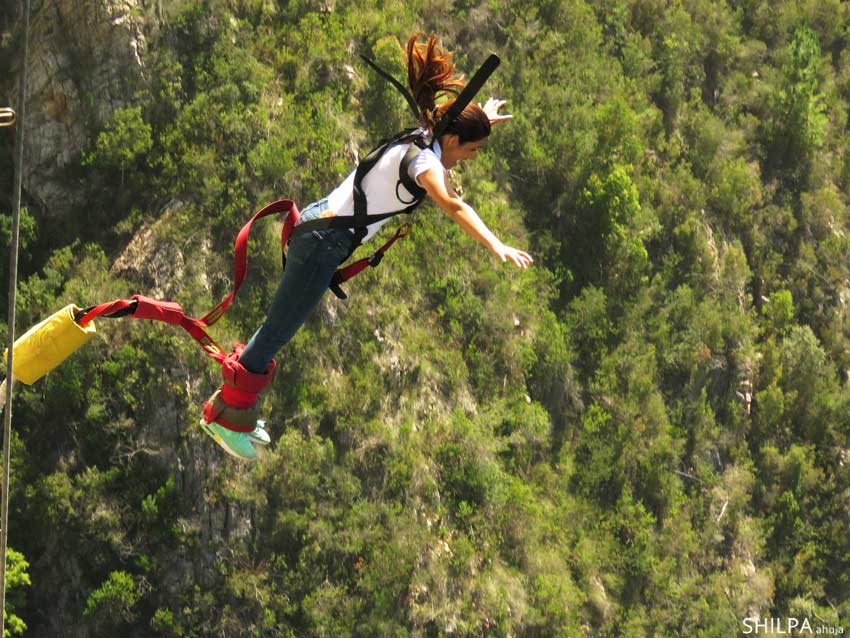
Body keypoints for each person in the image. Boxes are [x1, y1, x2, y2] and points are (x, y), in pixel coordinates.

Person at [201, 33, 533, 460]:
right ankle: (226, 421)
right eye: (472, 149)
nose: (470, 157)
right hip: (325, 242)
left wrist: (481, 118)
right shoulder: (424, 162)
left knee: (276, 327)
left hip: (321, 229)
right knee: (277, 331)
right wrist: (494, 243)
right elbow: (452, 203)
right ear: (452, 141)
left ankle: (228, 406)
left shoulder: (429, 132)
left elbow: (452, 125)